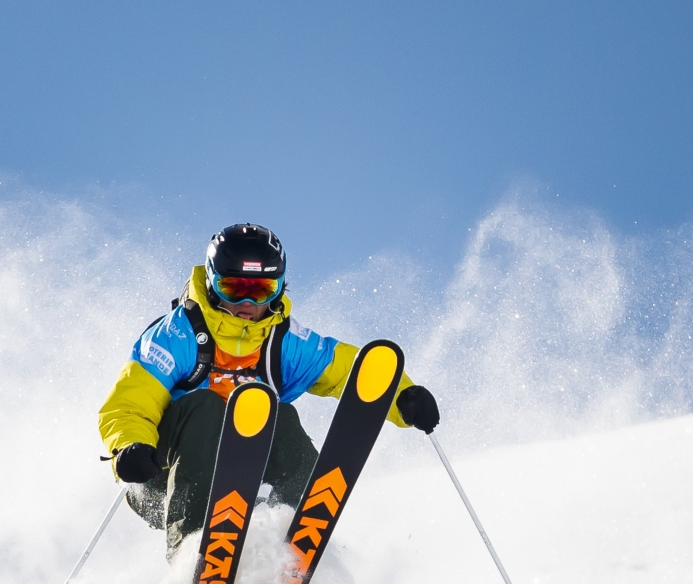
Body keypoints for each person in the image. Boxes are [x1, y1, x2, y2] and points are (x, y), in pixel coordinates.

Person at [98, 223, 440, 555]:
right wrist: (131, 447)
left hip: (239, 487)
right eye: (235, 288)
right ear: (214, 284)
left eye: (261, 290)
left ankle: (290, 541)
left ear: (278, 289)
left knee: (280, 417)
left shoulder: (282, 342)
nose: (247, 303)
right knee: (206, 406)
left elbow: (345, 370)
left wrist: (401, 398)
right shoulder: (177, 336)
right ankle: (196, 553)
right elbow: (131, 401)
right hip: (160, 480)